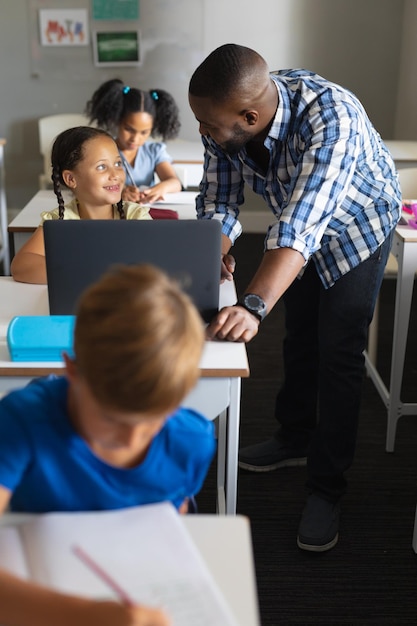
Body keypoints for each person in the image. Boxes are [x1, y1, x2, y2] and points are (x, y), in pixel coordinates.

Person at [188, 44, 401, 552]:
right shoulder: (226, 113)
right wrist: (210, 253)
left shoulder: (333, 117)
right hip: (296, 225)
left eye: (211, 126)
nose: (204, 133)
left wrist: (253, 304)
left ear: (251, 116)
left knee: (339, 351)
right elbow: (218, 197)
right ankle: (294, 436)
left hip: (358, 227)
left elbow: (302, 226)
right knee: (299, 334)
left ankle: (327, 488)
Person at [0, 263, 215, 625]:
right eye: (113, 419)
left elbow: (166, 533)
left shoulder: (189, 442)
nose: (132, 440)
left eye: (153, 421)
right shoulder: (21, 423)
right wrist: (87, 615)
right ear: (71, 370)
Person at [11, 126, 151, 285]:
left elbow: (157, 265)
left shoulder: (136, 216)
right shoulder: (59, 221)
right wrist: (89, 273)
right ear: (71, 179)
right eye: (101, 167)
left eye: (118, 164)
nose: (115, 175)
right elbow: (21, 266)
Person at [85, 79, 182, 204]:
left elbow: (175, 183)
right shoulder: (103, 151)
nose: (135, 139)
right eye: (129, 129)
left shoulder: (154, 151)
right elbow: (93, 185)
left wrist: (160, 188)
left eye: (144, 132)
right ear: (117, 120)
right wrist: (121, 190)